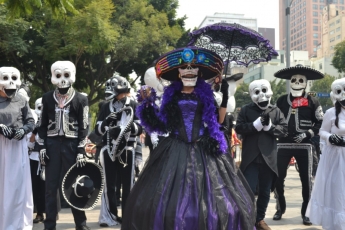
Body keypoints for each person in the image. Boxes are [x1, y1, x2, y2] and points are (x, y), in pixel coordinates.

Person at [121, 47, 256, 230]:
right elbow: (161, 124)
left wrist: (224, 96)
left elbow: (219, 121)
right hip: (174, 149)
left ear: (199, 73)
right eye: (185, 68)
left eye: (193, 68)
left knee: (220, 203)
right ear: (178, 72)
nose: (189, 71)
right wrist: (147, 104)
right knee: (164, 203)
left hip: (204, 148)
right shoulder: (171, 96)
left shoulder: (207, 95)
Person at [37, 60, 90, 230]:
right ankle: (49, 225)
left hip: (72, 146)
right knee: (51, 188)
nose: (62, 80)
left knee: (75, 184)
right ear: (53, 77)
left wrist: (81, 149)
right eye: (58, 75)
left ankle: (81, 224)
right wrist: (42, 147)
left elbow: (84, 126)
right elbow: (42, 125)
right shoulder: (46, 98)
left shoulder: (81, 99)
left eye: (66, 75)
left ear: (72, 76)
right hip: (52, 145)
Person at [272, 65, 324, 226]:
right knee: (278, 178)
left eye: (300, 80)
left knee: (306, 180)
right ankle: (280, 208)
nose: (296, 82)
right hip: (283, 145)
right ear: (290, 82)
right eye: (293, 79)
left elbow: (320, 122)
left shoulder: (313, 101)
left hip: (305, 146)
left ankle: (306, 213)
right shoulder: (281, 100)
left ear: (306, 83)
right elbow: (274, 120)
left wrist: (307, 134)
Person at [235, 79, 287, 230]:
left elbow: (284, 130)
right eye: (257, 92)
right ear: (252, 94)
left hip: (269, 157)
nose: (261, 95)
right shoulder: (245, 110)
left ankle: (259, 219)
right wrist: (255, 126)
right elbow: (239, 128)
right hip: (250, 157)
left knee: (265, 191)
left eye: (264, 91)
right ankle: (247, 219)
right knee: (248, 190)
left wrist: (270, 127)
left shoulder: (275, 111)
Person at [95, 75, 142, 226]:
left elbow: (140, 128)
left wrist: (125, 127)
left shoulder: (134, 105)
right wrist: (108, 122)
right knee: (109, 185)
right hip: (108, 149)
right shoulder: (104, 106)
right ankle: (110, 216)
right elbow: (97, 129)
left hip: (127, 149)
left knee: (128, 185)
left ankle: (128, 217)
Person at [306, 78, 345, 229]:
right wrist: (331, 138)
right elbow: (322, 131)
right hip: (335, 158)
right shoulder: (330, 113)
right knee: (337, 190)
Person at [0, 66, 35, 230]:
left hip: (17, 147)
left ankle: (19, 223)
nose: (10, 84)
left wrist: (24, 130)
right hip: (1, 146)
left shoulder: (22, 100)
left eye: (14, 79)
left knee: (17, 185)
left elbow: (30, 121)